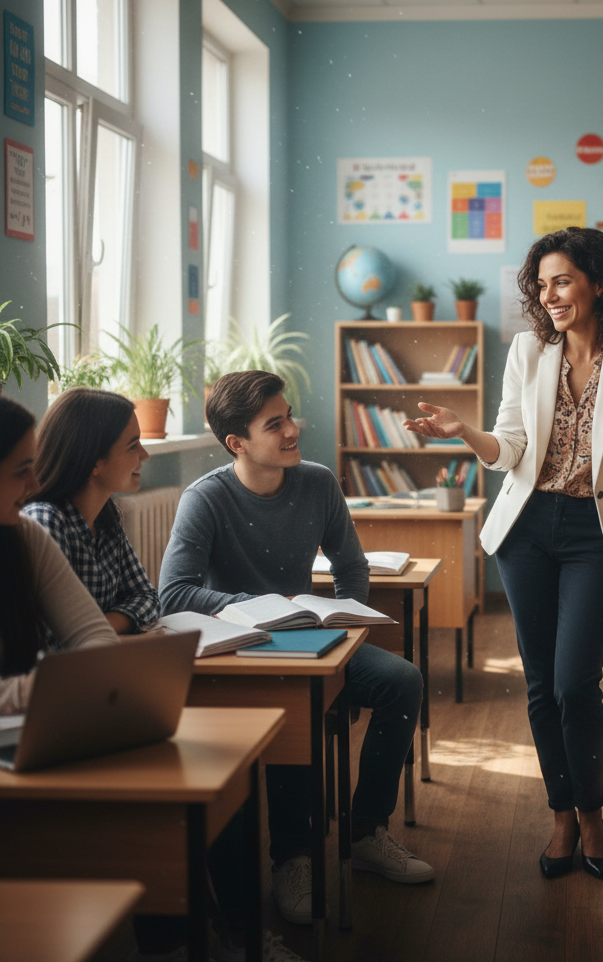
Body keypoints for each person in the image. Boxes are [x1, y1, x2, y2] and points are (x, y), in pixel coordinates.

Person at [405, 227, 603, 880]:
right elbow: (510, 449)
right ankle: (561, 814)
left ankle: (594, 810)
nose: (549, 296)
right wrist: (465, 432)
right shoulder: (528, 351)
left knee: (578, 682)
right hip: (526, 531)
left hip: (595, 535)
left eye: (563, 281)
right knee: (542, 684)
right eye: (541, 284)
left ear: (599, 282)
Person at [159, 369, 433, 928]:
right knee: (297, 710)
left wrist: (350, 625)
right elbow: (173, 593)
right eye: (275, 423)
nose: (292, 430)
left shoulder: (317, 482)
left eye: (289, 416)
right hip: (244, 649)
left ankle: (366, 832)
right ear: (238, 442)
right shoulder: (204, 499)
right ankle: (294, 859)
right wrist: (258, 604)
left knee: (402, 680)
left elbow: (351, 565)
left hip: (313, 635)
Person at [0, 396, 119, 713]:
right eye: (21, 471)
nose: (34, 483)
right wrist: (33, 691)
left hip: (28, 729)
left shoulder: (26, 536)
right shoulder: (44, 519)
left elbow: (95, 636)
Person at [23, 387, 160, 639]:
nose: (145, 455)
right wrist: (113, 634)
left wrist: (99, 630)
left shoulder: (106, 516)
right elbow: (52, 637)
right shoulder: (46, 521)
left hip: (99, 660)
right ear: (93, 460)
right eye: (132, 446)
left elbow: (147, 597)